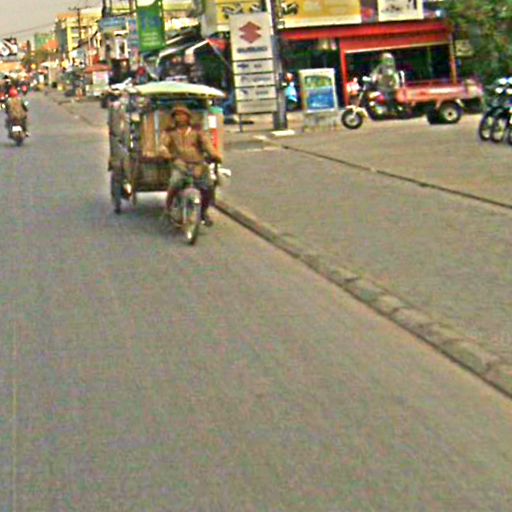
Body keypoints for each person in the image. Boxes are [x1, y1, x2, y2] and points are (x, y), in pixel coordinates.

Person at [159, 105, 222, 226]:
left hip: (198, 164)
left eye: (182, 115)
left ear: (188, 117)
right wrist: (165, 154)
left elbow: (207, 144)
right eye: (177, 115)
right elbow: (163, 145)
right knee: (175, 182)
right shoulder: (170, 132)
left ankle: (203, 212)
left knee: (208, 187)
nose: (179, 118)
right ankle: (167, 209)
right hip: (179, 164)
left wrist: (214, 155)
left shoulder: (197, 131)